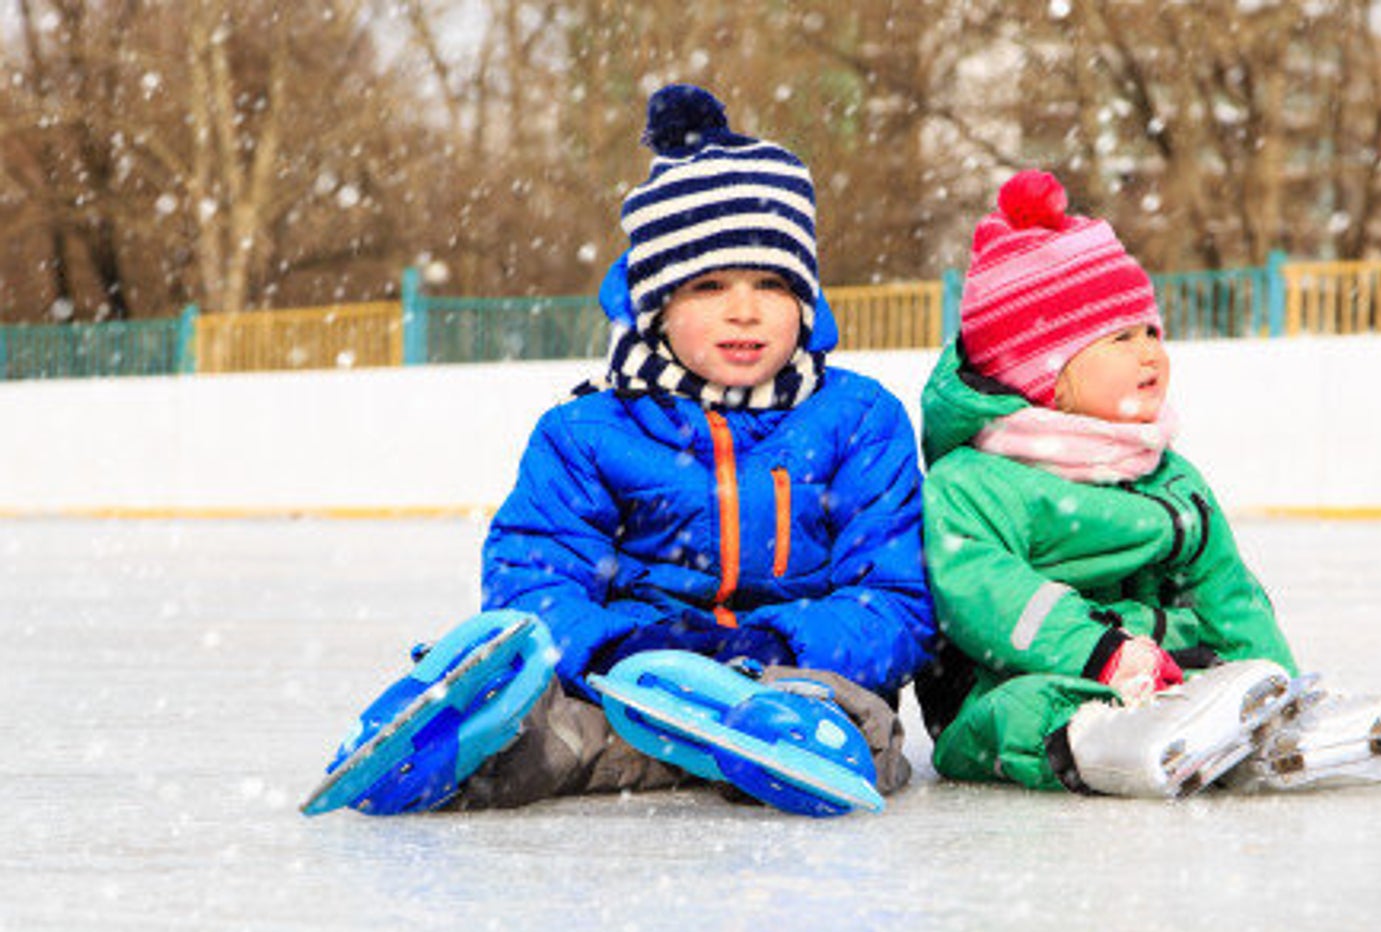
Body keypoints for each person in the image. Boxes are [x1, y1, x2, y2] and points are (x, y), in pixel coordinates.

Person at [311, 84, 933, 816]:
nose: (745, 308)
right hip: (638, 684)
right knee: (574, 715)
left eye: (772, 282)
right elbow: (534, 580)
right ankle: (469, 742)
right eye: (708, 285)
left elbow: (895, 603)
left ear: (807, 300)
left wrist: (775, 646)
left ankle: (774, 741)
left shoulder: (858, 420)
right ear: (655, 307)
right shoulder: (590, 432)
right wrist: (623, 650)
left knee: (858, 726)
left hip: (798, 674)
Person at [916, 170, 1381, 798]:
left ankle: (1264, 737)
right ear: (1044, 373)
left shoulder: (1165, 474)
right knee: (1024, 706)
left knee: (1222, 671)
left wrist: (1271, 676)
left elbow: (1227, 589)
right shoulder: (971, 482)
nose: (1151, 354)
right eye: (1121, 338)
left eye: (1152, 333)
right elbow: (988, 596)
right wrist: (1101, 652)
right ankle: (1095, 741)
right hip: (1007, 681)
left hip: (1162, 670)